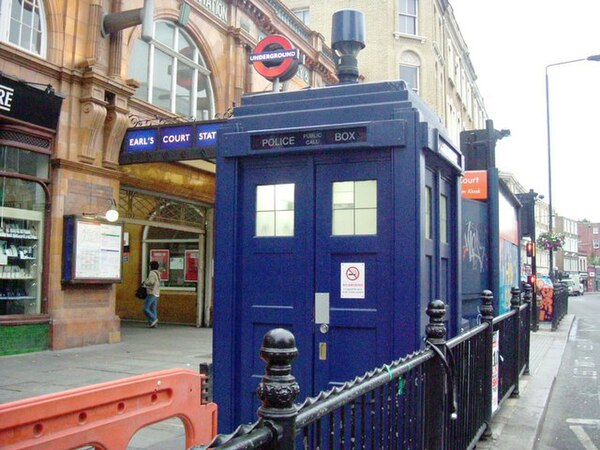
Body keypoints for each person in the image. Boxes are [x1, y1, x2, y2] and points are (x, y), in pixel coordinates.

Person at [143, 261, 161, 328]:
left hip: (152, 292)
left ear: (151, 266)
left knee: (145, 308)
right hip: (157, 292)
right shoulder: (158, 273)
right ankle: (153, 324)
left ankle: (154, 319)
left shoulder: (152, 273)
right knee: (153, 308)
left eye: (150, 265)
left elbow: (151, 282)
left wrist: (145, 282)